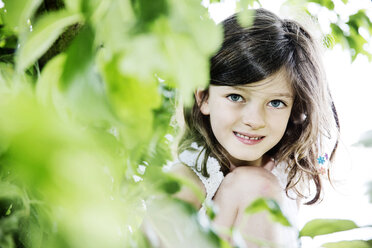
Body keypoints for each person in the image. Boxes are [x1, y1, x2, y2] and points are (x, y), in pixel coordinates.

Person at [170, 8, 340, 248]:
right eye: (236, 97)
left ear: (293, 110)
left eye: (276, 103)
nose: (255, 120)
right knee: (253, 184)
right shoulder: (186, 180)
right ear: (204, 98)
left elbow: (319, 159)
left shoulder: (286, 173)